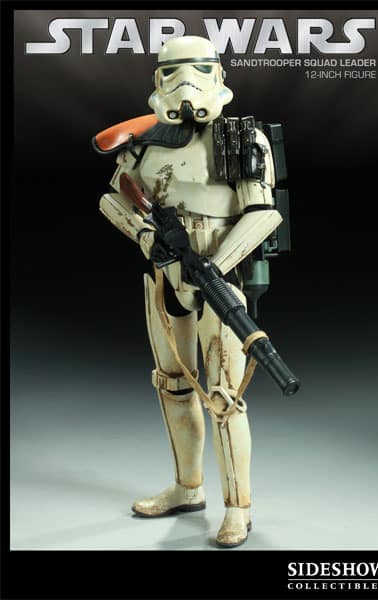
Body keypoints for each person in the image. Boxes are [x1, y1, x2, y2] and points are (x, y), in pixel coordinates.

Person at [93, 35, 283, 547]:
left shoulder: (241, 139)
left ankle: (238, 508)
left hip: (222, 276)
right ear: (158, 80)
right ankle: (187, 487)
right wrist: (145, 235)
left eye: (199, 69)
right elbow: (114, 199)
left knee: (224, 398)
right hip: (165, 276)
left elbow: (264, 214)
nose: (187, 83)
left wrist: (216, 267)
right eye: (174, 72)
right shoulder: (144, 140)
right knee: (172, 384)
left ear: (219, 76)